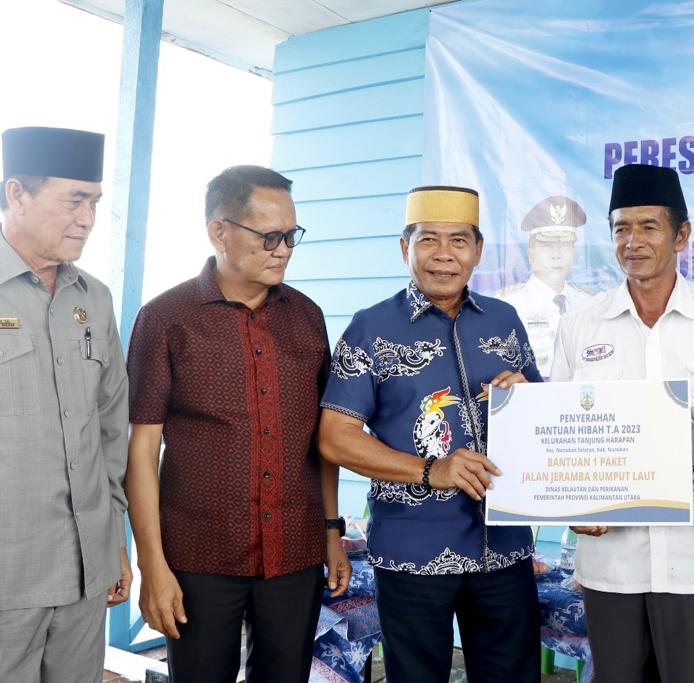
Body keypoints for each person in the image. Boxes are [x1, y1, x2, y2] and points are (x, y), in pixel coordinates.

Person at [125, 165, 350, 683]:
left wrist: (331, 531)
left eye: (291, 235)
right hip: (199, 554)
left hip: (295, 550)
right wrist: (151, 565)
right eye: (269, 236)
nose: (284, 250)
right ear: (219, 231)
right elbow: (141, 451)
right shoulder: (166, 318)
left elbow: (324, 439)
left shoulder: (308, 317)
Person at [318, 185, 542, 682]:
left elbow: (544, 420)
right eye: (428, 240)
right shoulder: (370, 329)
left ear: (477, 250)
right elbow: (335, 436)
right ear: (405, 247)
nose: (444, 254)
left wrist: (527, 394)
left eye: (459, 240)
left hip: (504, 548)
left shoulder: (505, 320)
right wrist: (430, 470)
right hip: (411, 550)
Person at [549, 164, 694, 682]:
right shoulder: (581, 325)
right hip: (610, 559)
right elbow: (557, 431)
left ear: (681, 235)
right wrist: (568, 504)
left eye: (648, 227)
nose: (632, 242)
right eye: (621, 228)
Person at [0, 126, 131, 683]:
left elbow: (111, 428)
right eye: (74, 200)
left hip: (84, 572)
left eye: (95, 202)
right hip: (10, 572)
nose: (88, 218)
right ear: (17, 194)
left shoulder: (94, 299)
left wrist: (113, 541)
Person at [497, 195, 594, 375]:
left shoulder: (590, 303)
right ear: (531, 253)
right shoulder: (508, 306)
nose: (556, 255)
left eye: (564, 246)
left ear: (573, 253)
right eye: (547, 246)